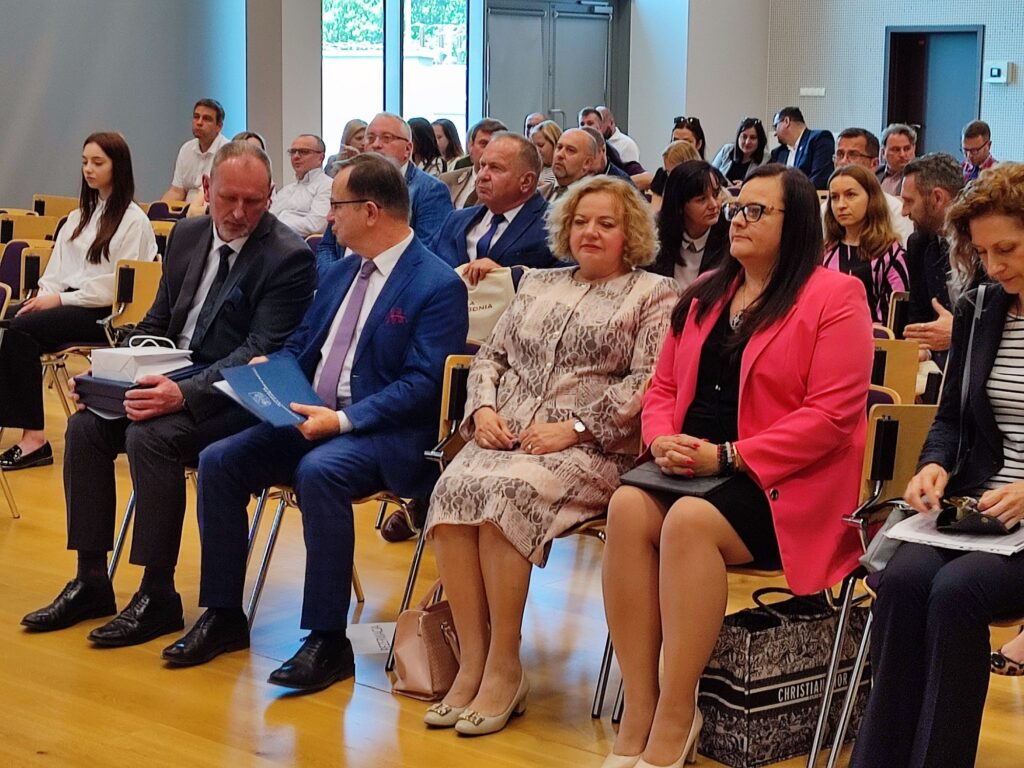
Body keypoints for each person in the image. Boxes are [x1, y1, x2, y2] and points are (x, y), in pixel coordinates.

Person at [161, 153, 468, 694]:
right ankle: (224, 613)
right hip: (311, 416)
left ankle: (328, 640)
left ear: (370, 211)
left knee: (320, 472)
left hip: (382, 433)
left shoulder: (437, 284)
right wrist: (269, 371)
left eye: (336, 205)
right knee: (219, 460)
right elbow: (305, 345)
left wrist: (343, 420)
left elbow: (422, 387)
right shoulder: (342, 271)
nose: (329, 216)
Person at [602, 165, 872, 768]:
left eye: (756, 211)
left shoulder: (835, 296)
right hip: (691, 466)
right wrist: (662, 439)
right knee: (626, 506)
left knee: (688, 523)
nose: (738, 220)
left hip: (780, 482)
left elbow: (832, 416)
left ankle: (678, 711)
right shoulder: (706, 292)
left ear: (794, 223)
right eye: (736, 208)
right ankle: (640, 704)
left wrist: (730, 455)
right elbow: (662, 388)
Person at [19, 141, 316, 644]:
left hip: (235, 395)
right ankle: (91, 579)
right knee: (85, 426)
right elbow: (155, 325)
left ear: (270, 196)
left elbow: (257, 351)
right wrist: (106, 376)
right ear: (207, 189)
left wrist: (181, 393)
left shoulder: (288, 257)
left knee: (150, 437)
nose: (239, 212)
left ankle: (158, 593)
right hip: (171, 375)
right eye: (228, 198)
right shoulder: (187, 234)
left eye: (253, 201)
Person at [423, 175, 677, 735]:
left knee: (507, 495)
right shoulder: (537, 282)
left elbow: (648, 382)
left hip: (593, 448)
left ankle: (504, 667)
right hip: (505, 434)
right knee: (452, 489)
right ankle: (472, 662)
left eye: (606, 223)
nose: (591, 232)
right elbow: (489, 358)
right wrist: (482, 411)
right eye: (581, 221)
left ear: (631, 233)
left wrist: (575, 429)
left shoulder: (654, 293)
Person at [850, 161, 1024, 768]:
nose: (994, 267)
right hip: (979, 509)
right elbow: (949, 418)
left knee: (955, 593)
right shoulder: (980, 308)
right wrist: (933, 467)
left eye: (1007, 250)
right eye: (983, 252)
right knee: (900, 581)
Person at [0, 132, 158, 471]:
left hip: (102, 313)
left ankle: (34, 440)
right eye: (85, 162)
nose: (88, 169)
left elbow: (116, 287)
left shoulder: (134, 221)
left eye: (98, 162)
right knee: (9, 318)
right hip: (65, 303)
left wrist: (59, 300)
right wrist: (43, 297)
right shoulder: (78, 217)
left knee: (21, 330)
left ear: (118, 166)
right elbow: (56, 271)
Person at [315, 113, 454, 274]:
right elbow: (327, 246)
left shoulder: (430, 190)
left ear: (408, 149)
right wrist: (335, 277)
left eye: (386, 138)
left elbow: (426, 255)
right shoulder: (349, 183)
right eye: (370, 138)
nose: (376, 145)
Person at [431, 132, 556, 279]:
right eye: (482, 165)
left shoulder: (555, 225)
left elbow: (565, 281)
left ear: (526, 181)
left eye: (495, 168)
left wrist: (505, 277)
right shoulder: (455, 221)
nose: (482, 176)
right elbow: (427, 268)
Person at [900, 153, 969, 364]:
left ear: (937, 198)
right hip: (937, 365)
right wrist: (922, 348)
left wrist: (958, 333)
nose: (903, 212)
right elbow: (919, 317)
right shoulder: (918, 245)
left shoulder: (984, 244)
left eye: (909, 201)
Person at [823, 164, 909, 324]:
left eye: (850, 195)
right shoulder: (824, 253)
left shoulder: (892, 256)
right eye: (834, 197)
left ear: (871, 198)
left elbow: (894, 321)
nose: (841, 205)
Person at [648, 160, 729, 290]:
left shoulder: (729, 236)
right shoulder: (657, 235)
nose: (714, 205)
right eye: (702, 199)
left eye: (716, 195)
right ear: (680, 205)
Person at [829, 128, 913, 246]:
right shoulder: (825, 209)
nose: (843, 162)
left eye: (853, 155)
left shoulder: (895, 210)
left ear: (874, 164)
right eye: (840, 154)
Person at [161, 98, 229, 211]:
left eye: (206, 119)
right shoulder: (186, 149)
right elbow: (177, 191)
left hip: (211, 212)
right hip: (185, 213)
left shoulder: (227, 152)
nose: (199, 122)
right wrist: (157, 211)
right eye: (196, 117)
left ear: (219, 126)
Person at [269, 133, 332, 237]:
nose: (296, 156)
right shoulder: (286, 190)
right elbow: (269, 219)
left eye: (304, 152)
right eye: (293, 152)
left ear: (321, 158)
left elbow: (316, 225)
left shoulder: (327, 186)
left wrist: (276, 226)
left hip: (301, 244)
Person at [439, 118, 508, 207]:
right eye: (483, 144)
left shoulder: (507, 186)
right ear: (471, 147)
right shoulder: (446, 180)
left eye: (496, 145)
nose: (489, 150)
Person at [769, 106, 835, 189]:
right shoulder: (778, 153)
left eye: (776, 126)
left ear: (786, 121)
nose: (775, 133)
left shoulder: (819, 139)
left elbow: (819, 178)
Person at [545, 128, 600, 202]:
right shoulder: (539, 193)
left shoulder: (595, 199)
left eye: (570, 150)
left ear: (587, 163)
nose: (560, 154)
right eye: (559, 147)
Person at [646, 141, 701, 213]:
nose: (670, 177)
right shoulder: (662, 175)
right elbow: (655, 210)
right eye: (668, 172)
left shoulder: (700, 182)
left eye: (674, 172)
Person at [711, 117, 768, 184]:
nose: (747, 142)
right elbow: (710, 174)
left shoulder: (766, 159)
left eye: (753, 138)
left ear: (760, 140)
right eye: (744, 137)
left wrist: (745, 185)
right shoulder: (727, 150)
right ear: (738, 137)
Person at [877, 123, 917, 196]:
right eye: (896, 149)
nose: (902, 154)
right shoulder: (875, 174)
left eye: (907, 149)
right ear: (883, 153)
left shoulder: (922, 177)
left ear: (914, 149)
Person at [529, 119, 561, 187]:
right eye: (533, 146)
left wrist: (543, 186)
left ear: (554, 143)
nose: (537, 150)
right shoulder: (536, 169)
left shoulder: (562, 171)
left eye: (541, 145)